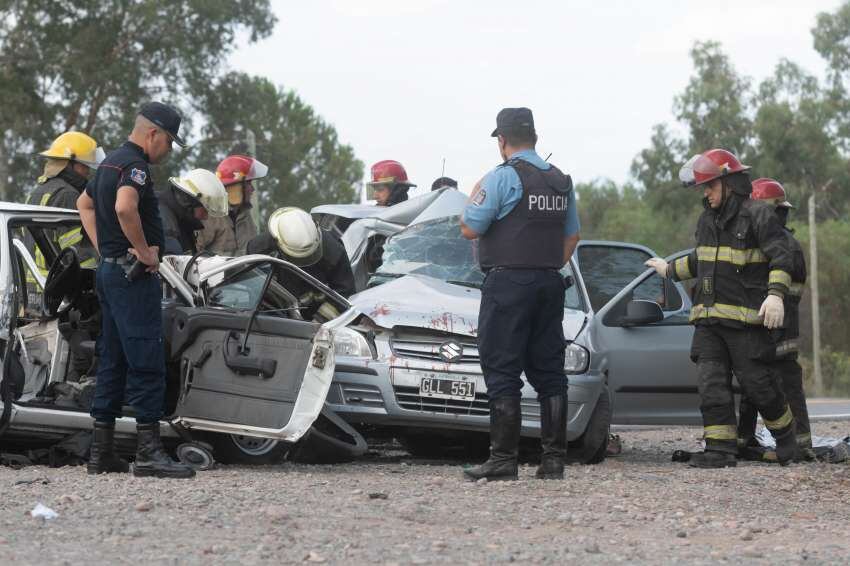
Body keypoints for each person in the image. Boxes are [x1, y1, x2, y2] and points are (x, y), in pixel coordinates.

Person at [645, 149, 797, 468]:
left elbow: (782, 257)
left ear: (729, 183)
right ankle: (720, 449)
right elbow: (702, 260)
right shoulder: (707, 220)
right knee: (711, 384)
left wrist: (776, 294)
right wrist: (669, 270)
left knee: (759, 387)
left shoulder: (758, 215)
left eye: (711, 186)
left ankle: (786, 439)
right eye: (704, 187)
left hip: (746, 325)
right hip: (709, 321)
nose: (706, 193)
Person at [460, 107, 580, 481]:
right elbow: (572, 236)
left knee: (502, 367)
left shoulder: (501, 178)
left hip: (508, 285)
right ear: (535, 138)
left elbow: (469, 227)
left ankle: (503, 460)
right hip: (549, 283)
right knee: (549, 371)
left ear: (502, 141)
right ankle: (553, 461)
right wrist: (543, 264)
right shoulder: (561, 180)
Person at [76, 101, 194, 478]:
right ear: (153, 134)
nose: (169, 150)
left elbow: (85, 204)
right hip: (133, 278)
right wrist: (145, 253)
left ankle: (102, 452)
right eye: (169, 142)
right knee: (146, 359)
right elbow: (126, 208)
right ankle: (148, 453)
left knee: (113, 359)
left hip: (110, 274)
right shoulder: (136, 167)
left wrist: (104, 250)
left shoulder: (109, 162)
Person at [737, 178, 813, 461]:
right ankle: (743, 440)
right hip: (765, 331)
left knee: (787, 386)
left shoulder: (784, 246)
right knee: (752, 384)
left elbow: (786, 294)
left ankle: (801, 445)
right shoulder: (769, 243)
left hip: (780, 332)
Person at [25, 132, 104, 307]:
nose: (88, 172)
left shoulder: (37, 191)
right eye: (84, 166)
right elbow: (76, 249)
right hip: (59, 292)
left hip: (34, 288)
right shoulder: (68, 194)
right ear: (70, 165)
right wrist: (93, 277)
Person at [246, 207, 356, 320]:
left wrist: (318, 324)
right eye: (297, 257)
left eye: (308, 255)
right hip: (274, 317)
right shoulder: (259, 252)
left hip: (318, 318)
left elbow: (344, 294)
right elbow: (255, 293)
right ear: (279, 245)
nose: (304, 263)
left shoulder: (334, 251)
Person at [196, 154, 268, 256]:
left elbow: (251, 255)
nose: (252, 189)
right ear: (235, 187)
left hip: (249, 271)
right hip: (217, 272)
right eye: (248, 183)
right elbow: (195, 257)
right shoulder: (209, 216)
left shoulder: (245, 215)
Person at [158, 169, 228, 255]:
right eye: (205, 209)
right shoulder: (164, 221)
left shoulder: (181, 219)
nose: (206, 217)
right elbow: (174, 264)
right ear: (189, 202)